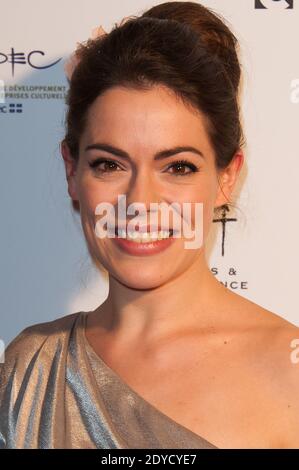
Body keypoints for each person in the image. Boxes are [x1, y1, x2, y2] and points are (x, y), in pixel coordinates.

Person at [1, 1, 298, 449]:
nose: (139, 203)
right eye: (109, 164)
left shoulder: (288, 372)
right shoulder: (28, 367)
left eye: (177, 167)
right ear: (71, 172)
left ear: (227, 177)